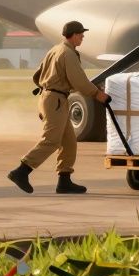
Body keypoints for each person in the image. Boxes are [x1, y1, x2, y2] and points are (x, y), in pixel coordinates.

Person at [7, 20, 109, 194]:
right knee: (51, 140)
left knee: (69, 142)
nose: (83, 37)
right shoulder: (67, 53)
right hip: (55, 100)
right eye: (81, 34)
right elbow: (79, 80)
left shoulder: (55, 49)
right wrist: (97, 94)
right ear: (74, 35)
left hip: (51, 98)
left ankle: (64, 181)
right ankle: (21, 171)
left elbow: (37, 75)